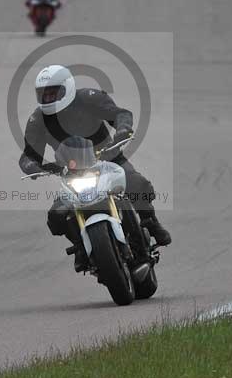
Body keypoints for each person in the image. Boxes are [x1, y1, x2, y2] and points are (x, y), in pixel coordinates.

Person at [19, 65, 171, 271]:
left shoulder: (88, 98)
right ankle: (81, 245)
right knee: (56, 216)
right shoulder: (37, 119)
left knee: (137, 184)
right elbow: (28, 154)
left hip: (109, 159)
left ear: (67, 87)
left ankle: (149, 221)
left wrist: (123, 128)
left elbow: (121, 114)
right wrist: (31, 165)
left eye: (53, 93)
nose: (48, 98)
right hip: (71, 172)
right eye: (44, 95)